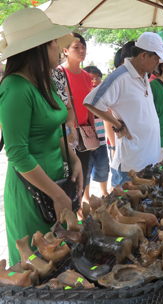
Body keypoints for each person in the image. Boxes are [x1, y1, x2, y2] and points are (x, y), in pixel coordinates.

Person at [0, 8, 83, 265]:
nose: (59, 49)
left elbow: (53, 130)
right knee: (37, 265)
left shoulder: (42, 81)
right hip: (32, 191)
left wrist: (74, 158)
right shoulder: (15, 87)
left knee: (62, 257)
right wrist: (57, 195)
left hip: (56, 181)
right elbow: (17, 153)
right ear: (38, 48)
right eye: (53, 43)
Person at [84, 32, 163, 187]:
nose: (158, 63)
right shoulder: (120, 76)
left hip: (147, 160)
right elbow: (91, 102)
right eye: (156, 59)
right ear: (144, 55)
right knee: (125, 207)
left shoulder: (143, 74)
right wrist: (117, 124)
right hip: (130, 165)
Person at [60, 33, 93, 193]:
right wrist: (66, 129)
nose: (81, 51)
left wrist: (92, 130)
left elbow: (89, 106)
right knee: (69, 177)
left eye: (83, 47)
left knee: (83, 175)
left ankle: (79, 207)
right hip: (66, 135)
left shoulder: (87, 76)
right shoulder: (58, 74)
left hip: (84, 133)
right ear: (65, 50)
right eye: (76, 47)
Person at [82, 66, 110, 201]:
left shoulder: (103, 96)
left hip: (102, 142)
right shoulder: (82, 96)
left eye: (98, 78)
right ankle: (87, 198)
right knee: (85, 172)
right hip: (86, 143)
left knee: (103, 169)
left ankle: (104, 192)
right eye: (91, 78)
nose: (95, 81)